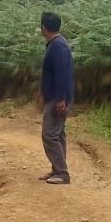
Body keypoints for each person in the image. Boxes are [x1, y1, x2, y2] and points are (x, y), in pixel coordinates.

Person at [38, 11, 74, 184]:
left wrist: (60, 99)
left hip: (58, 98)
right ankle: (57, 169)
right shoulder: (57, 43)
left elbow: (61, 75)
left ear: (43, 27)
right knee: (58, 134)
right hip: (56, 96)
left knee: (49, 134)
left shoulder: (57, 46)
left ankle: (62, 173)